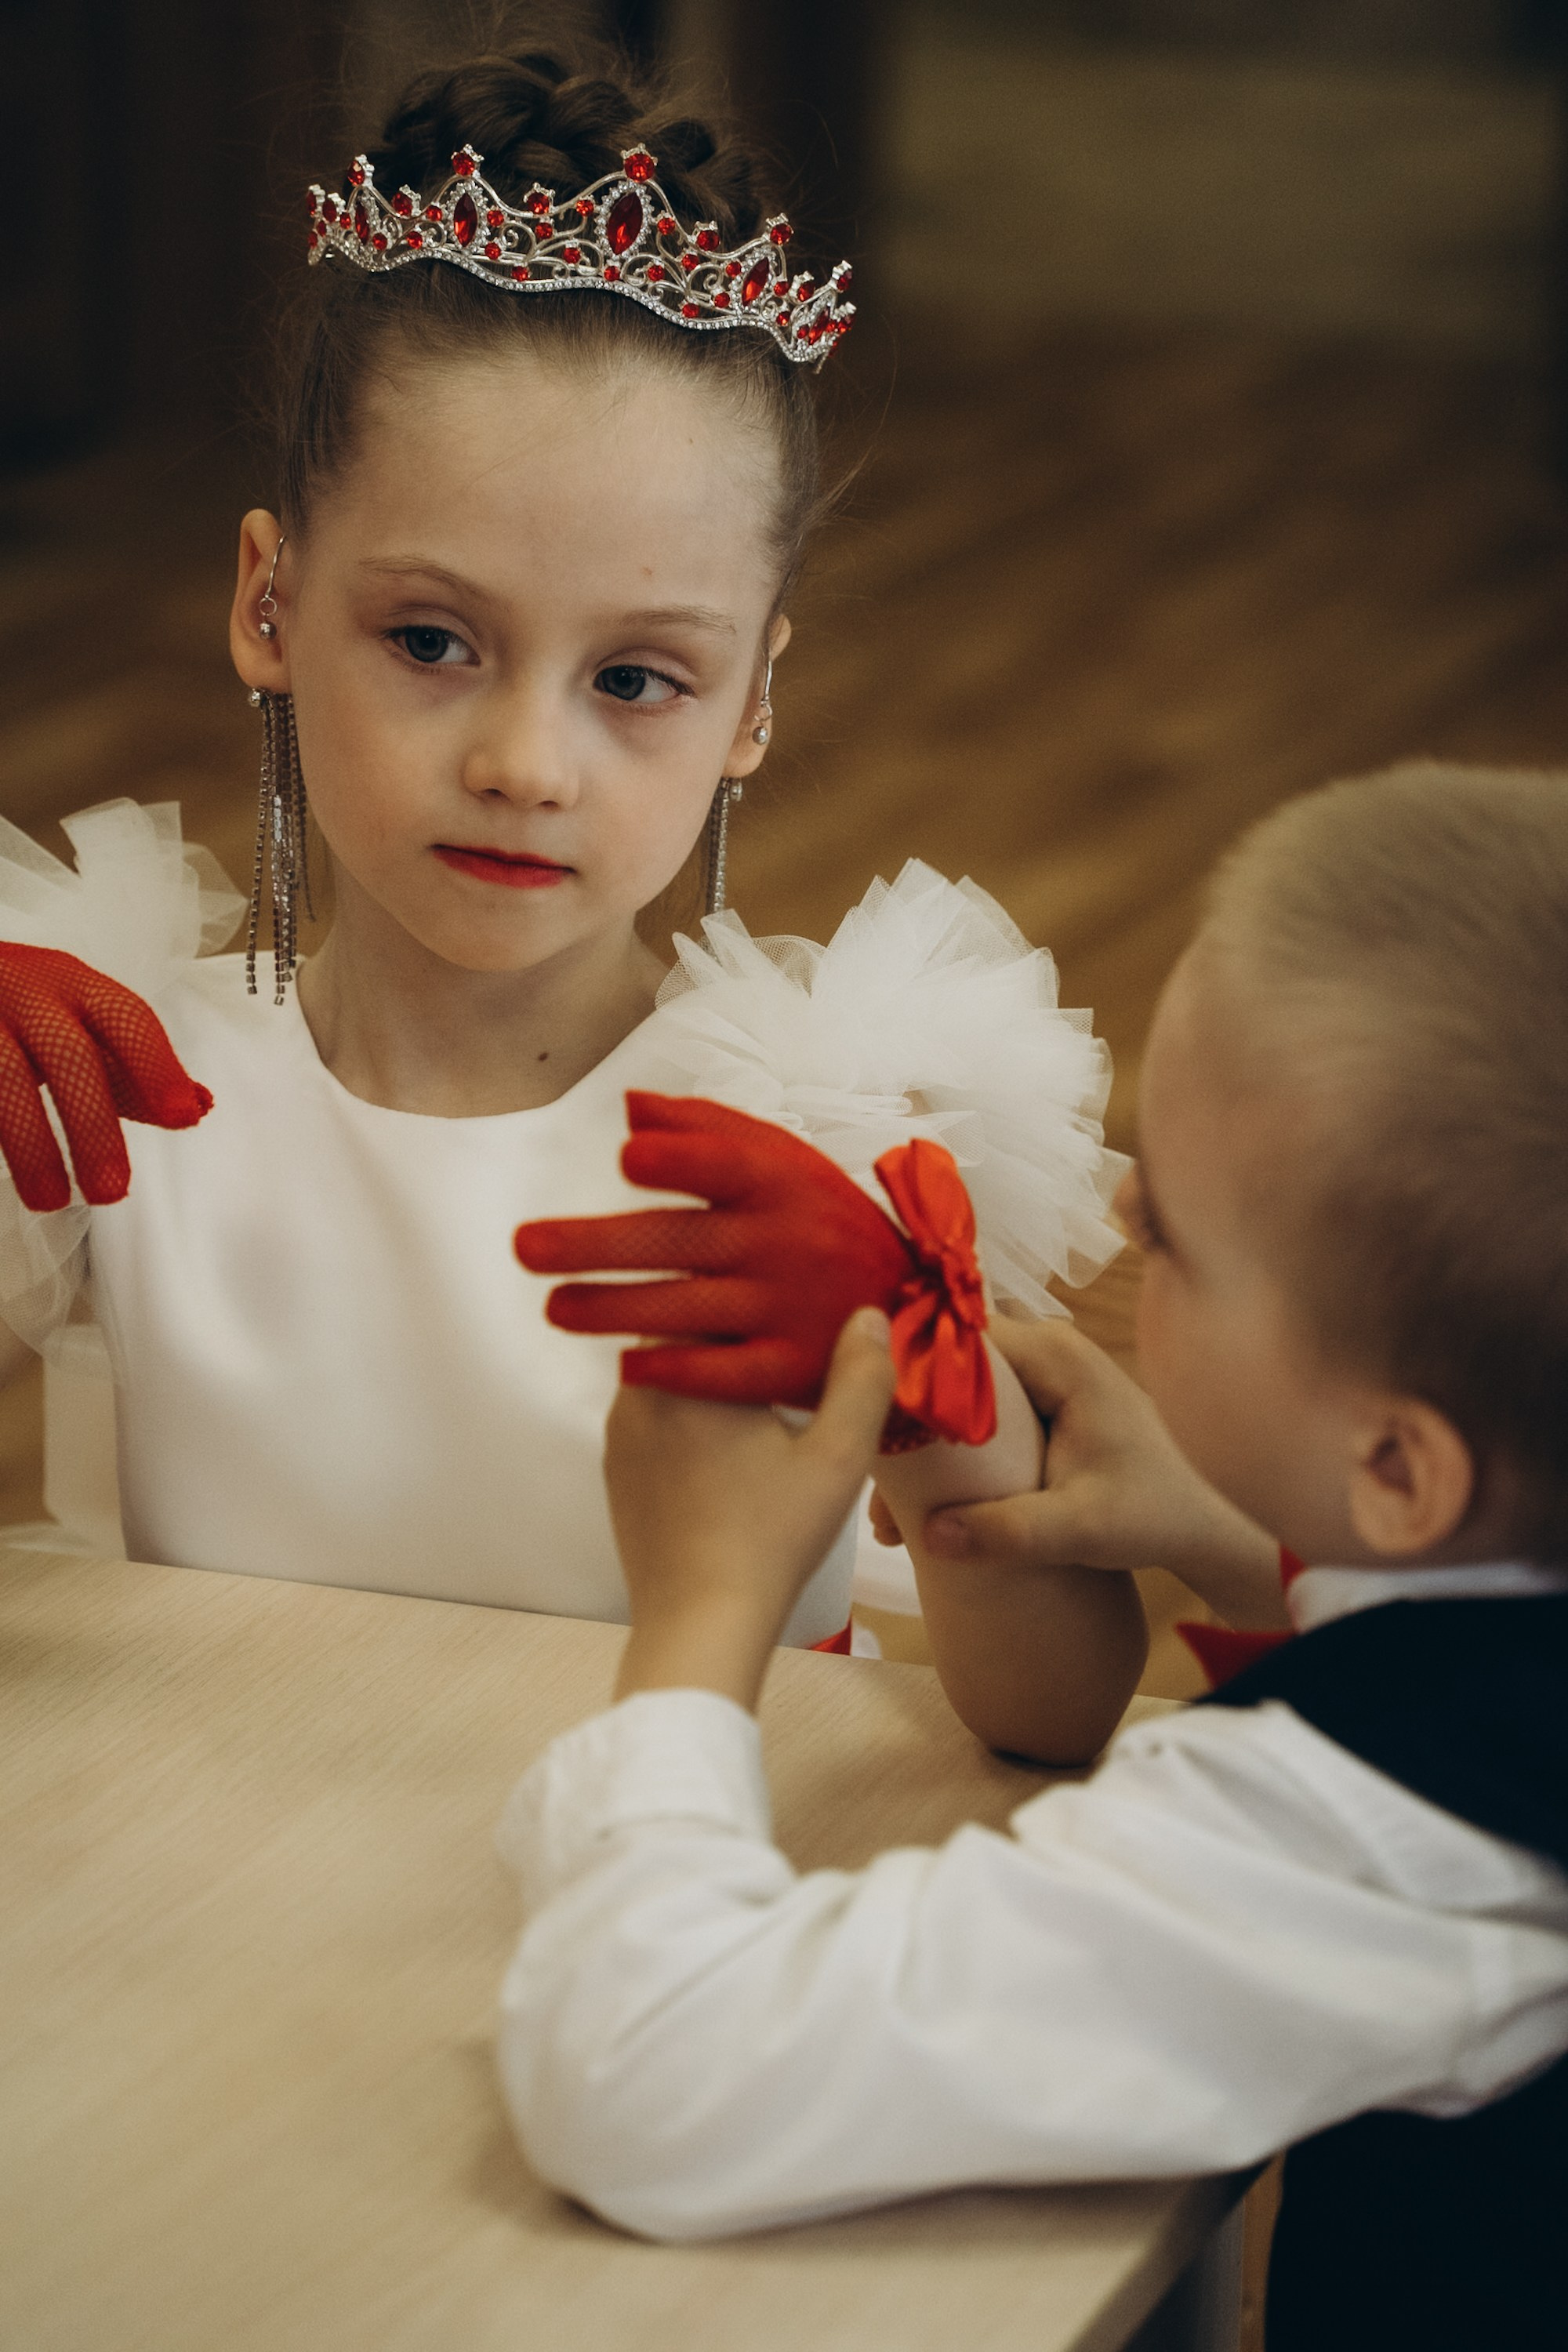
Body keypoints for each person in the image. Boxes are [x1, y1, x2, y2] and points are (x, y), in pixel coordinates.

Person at [0, 37, 1134, 1702]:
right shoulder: (117, 1098)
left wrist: (926, 1385)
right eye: (434, 639)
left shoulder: (829, 1147)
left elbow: (1054, 1711)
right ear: (269, 605)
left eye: (633, 679)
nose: (525, 763)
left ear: (752, 701)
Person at [495, 763, 1568, 2351]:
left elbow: (646, 2076)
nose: (1126, 1206)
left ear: (1399, 1470)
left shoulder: (1373, 1830)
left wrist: (700, 1620)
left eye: (1180, 1242)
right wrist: (1237, 1544)